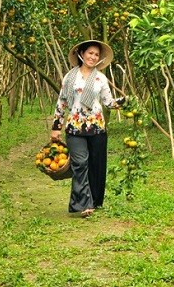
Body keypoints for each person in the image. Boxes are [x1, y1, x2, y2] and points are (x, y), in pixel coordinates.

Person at [51, 40, 125, 217]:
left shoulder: (100, 78)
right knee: (80, 162)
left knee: (96, 165)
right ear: (81, 54)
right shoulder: (70, 77)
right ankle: (83, 204)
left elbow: (108, 102)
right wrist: (56, 127)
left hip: (97, 128)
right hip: (74, 128)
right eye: (90, 53)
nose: (93, 57)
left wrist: (125, 102)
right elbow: (62, 102)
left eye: (96, 54)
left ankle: (95, 201)